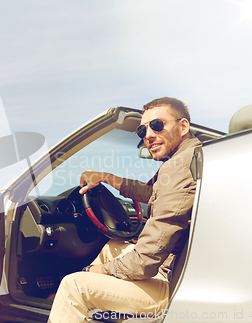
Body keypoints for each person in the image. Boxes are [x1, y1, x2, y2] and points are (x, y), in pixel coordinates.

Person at [47, 97, 201, 322]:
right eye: (142, 130)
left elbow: (145, 261)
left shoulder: (181, 167)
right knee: (112, 247)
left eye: (157, 125)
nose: (148, 135)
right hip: (174, 267)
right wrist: (108, 178)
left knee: (73, 285)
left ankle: (73, 304)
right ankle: (84, 309)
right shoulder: (187, 159)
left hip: (172, 284)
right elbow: (152, 193)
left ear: (183, 126)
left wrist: (96, 272)